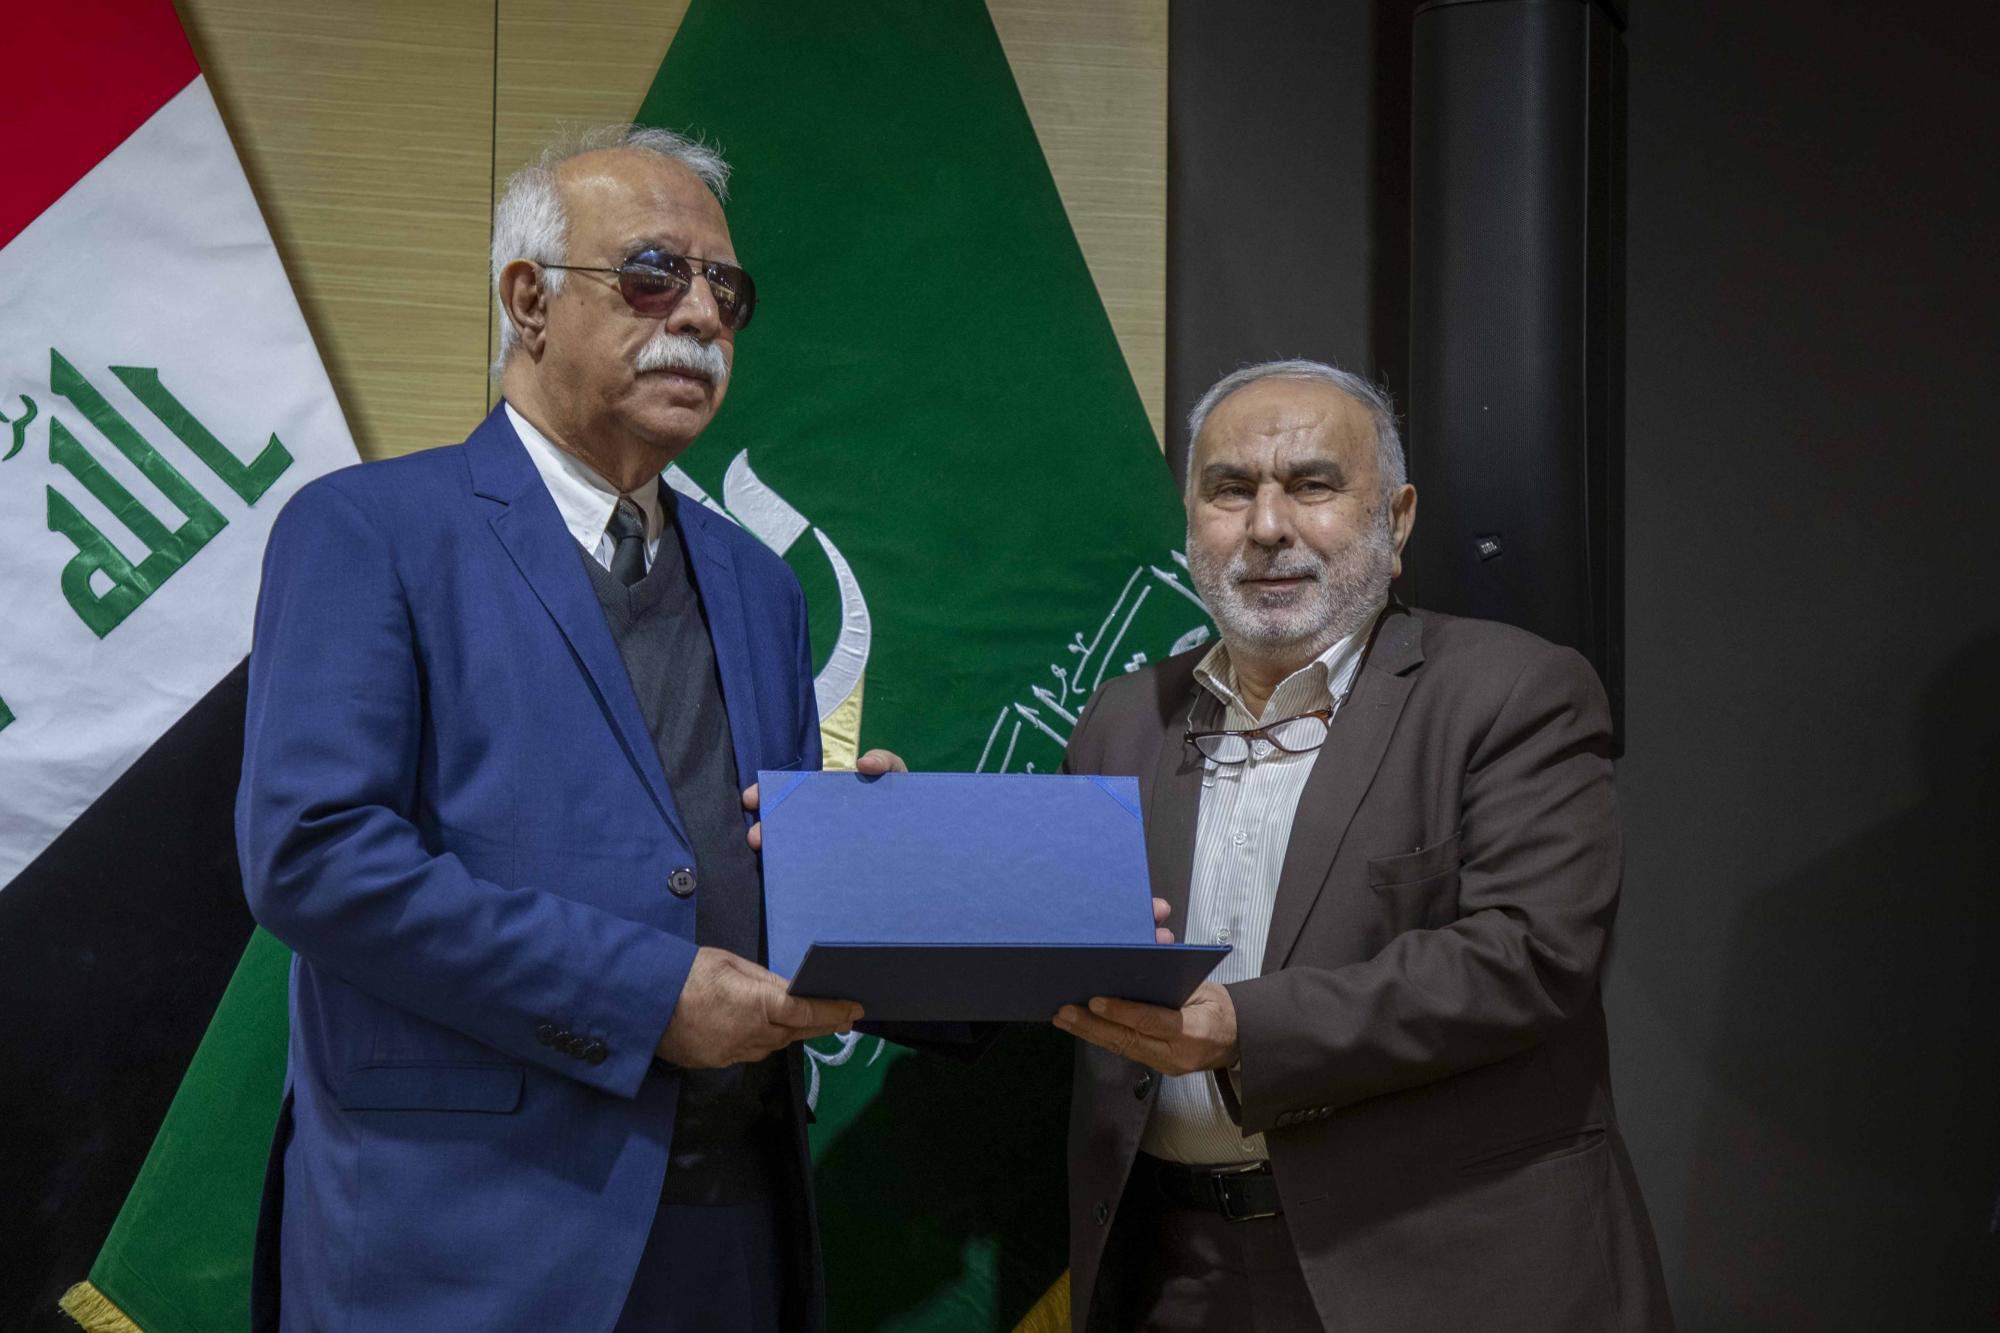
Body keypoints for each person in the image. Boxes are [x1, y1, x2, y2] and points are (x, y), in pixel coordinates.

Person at [236, 124, 893, 1332]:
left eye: (726, 289)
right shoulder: (367, 530)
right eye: (652, 273)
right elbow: (314, 858)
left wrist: (884, 859)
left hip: (732, 1224)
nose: (699, 314)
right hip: (463, 1237)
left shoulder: (760, 584)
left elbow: (764, 870)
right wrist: (645, 995)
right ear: (528, 299)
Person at [1054, 360, 1674, 1331]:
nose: (1266, 526)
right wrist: (893, 847)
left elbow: (1531, 955)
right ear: (1190, 521)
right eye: (1229, 490)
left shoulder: (1513, 692)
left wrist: (1243, 1026)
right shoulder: (1122, 719)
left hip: (1448, 1274)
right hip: (1175, 1271)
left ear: (1396, 519)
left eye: (1311, 485)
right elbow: (1043, 945)